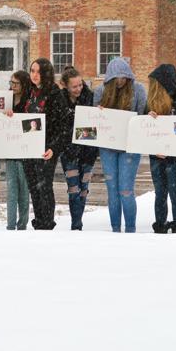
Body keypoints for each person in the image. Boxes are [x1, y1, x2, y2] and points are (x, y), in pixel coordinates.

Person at [94, 57, 147, 233]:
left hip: (129, 146)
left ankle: (130, 229)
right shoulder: (101, 91)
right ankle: (115, 229)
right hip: (108, 147)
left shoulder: (138, 90)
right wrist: (98, 112)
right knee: (112, 189)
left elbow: (142, 114)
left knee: (125, 189)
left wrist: (148, 116)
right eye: (116, 79)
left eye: (123, 78)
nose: (120, 82)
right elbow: (94, 121)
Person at [20, 59, 69, 230]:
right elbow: (20, 115)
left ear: (46, 74)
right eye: (32, 70)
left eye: (38, 72)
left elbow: (64, 126)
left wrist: (54, 148)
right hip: (28, 147)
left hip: (46, 148)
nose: (34, 75)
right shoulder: (29, 92)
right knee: (34, 186)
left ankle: (47, 224)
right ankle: (39, 222)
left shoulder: (55, 94)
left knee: (44, 187)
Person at [147, 63, 176, 234]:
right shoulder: (151, 101)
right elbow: (145, 130)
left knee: (175, 191)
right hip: (156, 154)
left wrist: (167, 123)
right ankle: (160, 224)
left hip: (175, 156)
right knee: (160, 192)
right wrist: (149, 118)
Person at [59, 67, 97, 231]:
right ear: (66, 86)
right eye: (74, 86)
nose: (78, 89)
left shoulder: (90, 97)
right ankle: (76, 225)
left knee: (83, 189)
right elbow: (61, 127)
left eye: (80, 85)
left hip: (88, 152)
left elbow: (93, 125)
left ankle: (78, 222)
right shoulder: (60, 100)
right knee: (73, 189)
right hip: (69, 152)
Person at [6, 70, 32, 230]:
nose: (12, 86)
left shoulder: (28, 101)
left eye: (16, 83)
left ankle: (22, 224)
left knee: (24, 191)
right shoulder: (5, 99)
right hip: (9, 148)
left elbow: (30, 124)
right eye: (11, 83)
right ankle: (10, 225)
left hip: (24, 150)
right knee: (11, 190)